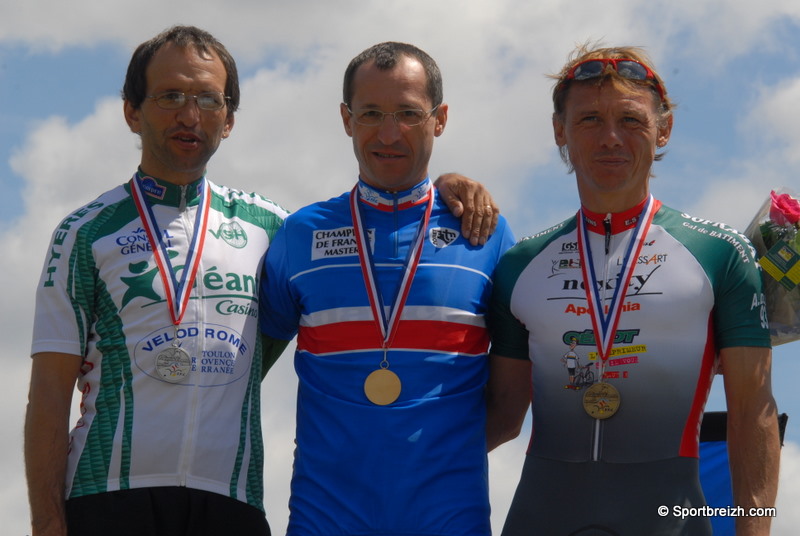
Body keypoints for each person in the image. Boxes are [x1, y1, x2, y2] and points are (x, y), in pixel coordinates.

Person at [23, 26, 493, 536]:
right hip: (108, 495)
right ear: (132, 112)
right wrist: (47, 522)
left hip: (231, 502)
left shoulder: (273, 228)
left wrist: (445, 188)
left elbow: (368, 221)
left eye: (208, 99)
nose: (189, 115)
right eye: (170, 96)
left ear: (228, 120)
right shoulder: (85, 232)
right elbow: (48, 394)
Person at [486, 44, 780, 536]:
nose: (610, 138)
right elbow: (499, 418)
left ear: (663, 129)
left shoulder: (720, 254)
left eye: (630, 120)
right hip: (542, 515)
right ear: (559, 131)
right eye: (589, 120)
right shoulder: (521, 265)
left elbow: (753, 414)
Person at [259, 41, 515, 535]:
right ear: (346, 119)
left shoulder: (485, 234)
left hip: (449, 517)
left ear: (439, 119)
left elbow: (510, 410)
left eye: (409, 114)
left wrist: (434, 453)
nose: (389, 133)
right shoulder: (300, 234)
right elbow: (245, 373)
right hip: (325, 517)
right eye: (371, 113)